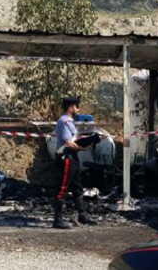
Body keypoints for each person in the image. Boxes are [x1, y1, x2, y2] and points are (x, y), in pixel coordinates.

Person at [52, 96, 97, 229]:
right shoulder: (64, 121)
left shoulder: (69, 121)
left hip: (72, 157)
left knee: (78, 186)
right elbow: (69, 143)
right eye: (77, 106)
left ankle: (82, 215)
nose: (78, 109)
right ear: (71, 107)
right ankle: (58, 219)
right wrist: (84, 147)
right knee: (62, 188)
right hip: (66, 157)